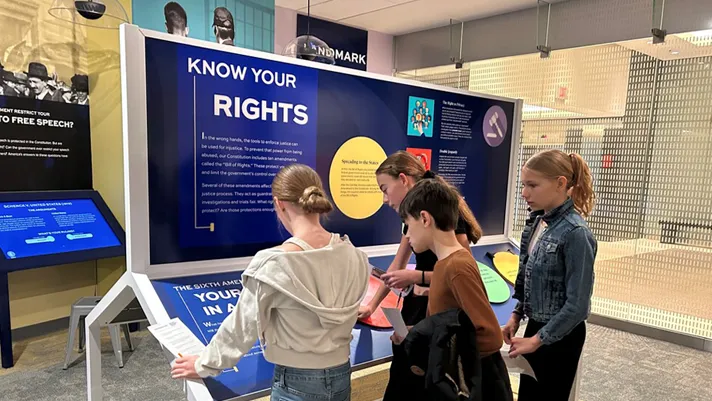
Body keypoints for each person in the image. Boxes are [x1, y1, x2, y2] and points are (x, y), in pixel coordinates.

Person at [171, 164, 370, 401]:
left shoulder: (274, 263)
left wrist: (204, 364)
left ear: (279, 204)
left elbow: (241, 328)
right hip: (341, 376)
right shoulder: (355, 256)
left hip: (295, 383)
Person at [358, 151, 482, 401]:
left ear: (403, 179)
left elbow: (461, 271)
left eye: (385, 188)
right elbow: (397, 265)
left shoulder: (441, 210)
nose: (384, 199)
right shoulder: (413, 214)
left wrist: (417, 278)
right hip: (420, 314)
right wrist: (372, 306)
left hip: (438, 316)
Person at [395, 178, 512, 401]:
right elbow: (447, 323)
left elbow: (490, 335)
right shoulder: (442, 265)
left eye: (407, 226)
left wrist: (438, 348)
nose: (407, 235)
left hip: (476, 384)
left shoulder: (457, 266)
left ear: (425, 218)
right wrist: (415, 334)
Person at [503, 149, 597, 401]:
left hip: (561, 336)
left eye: (533, 185)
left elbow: (578, 305)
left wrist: (537, 340)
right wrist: (516, 314)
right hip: (536, 329)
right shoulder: (537, 223)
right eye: (524, 185)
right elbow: (532, 280)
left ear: (560, 183)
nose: (524, 193)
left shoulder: (576, 233)